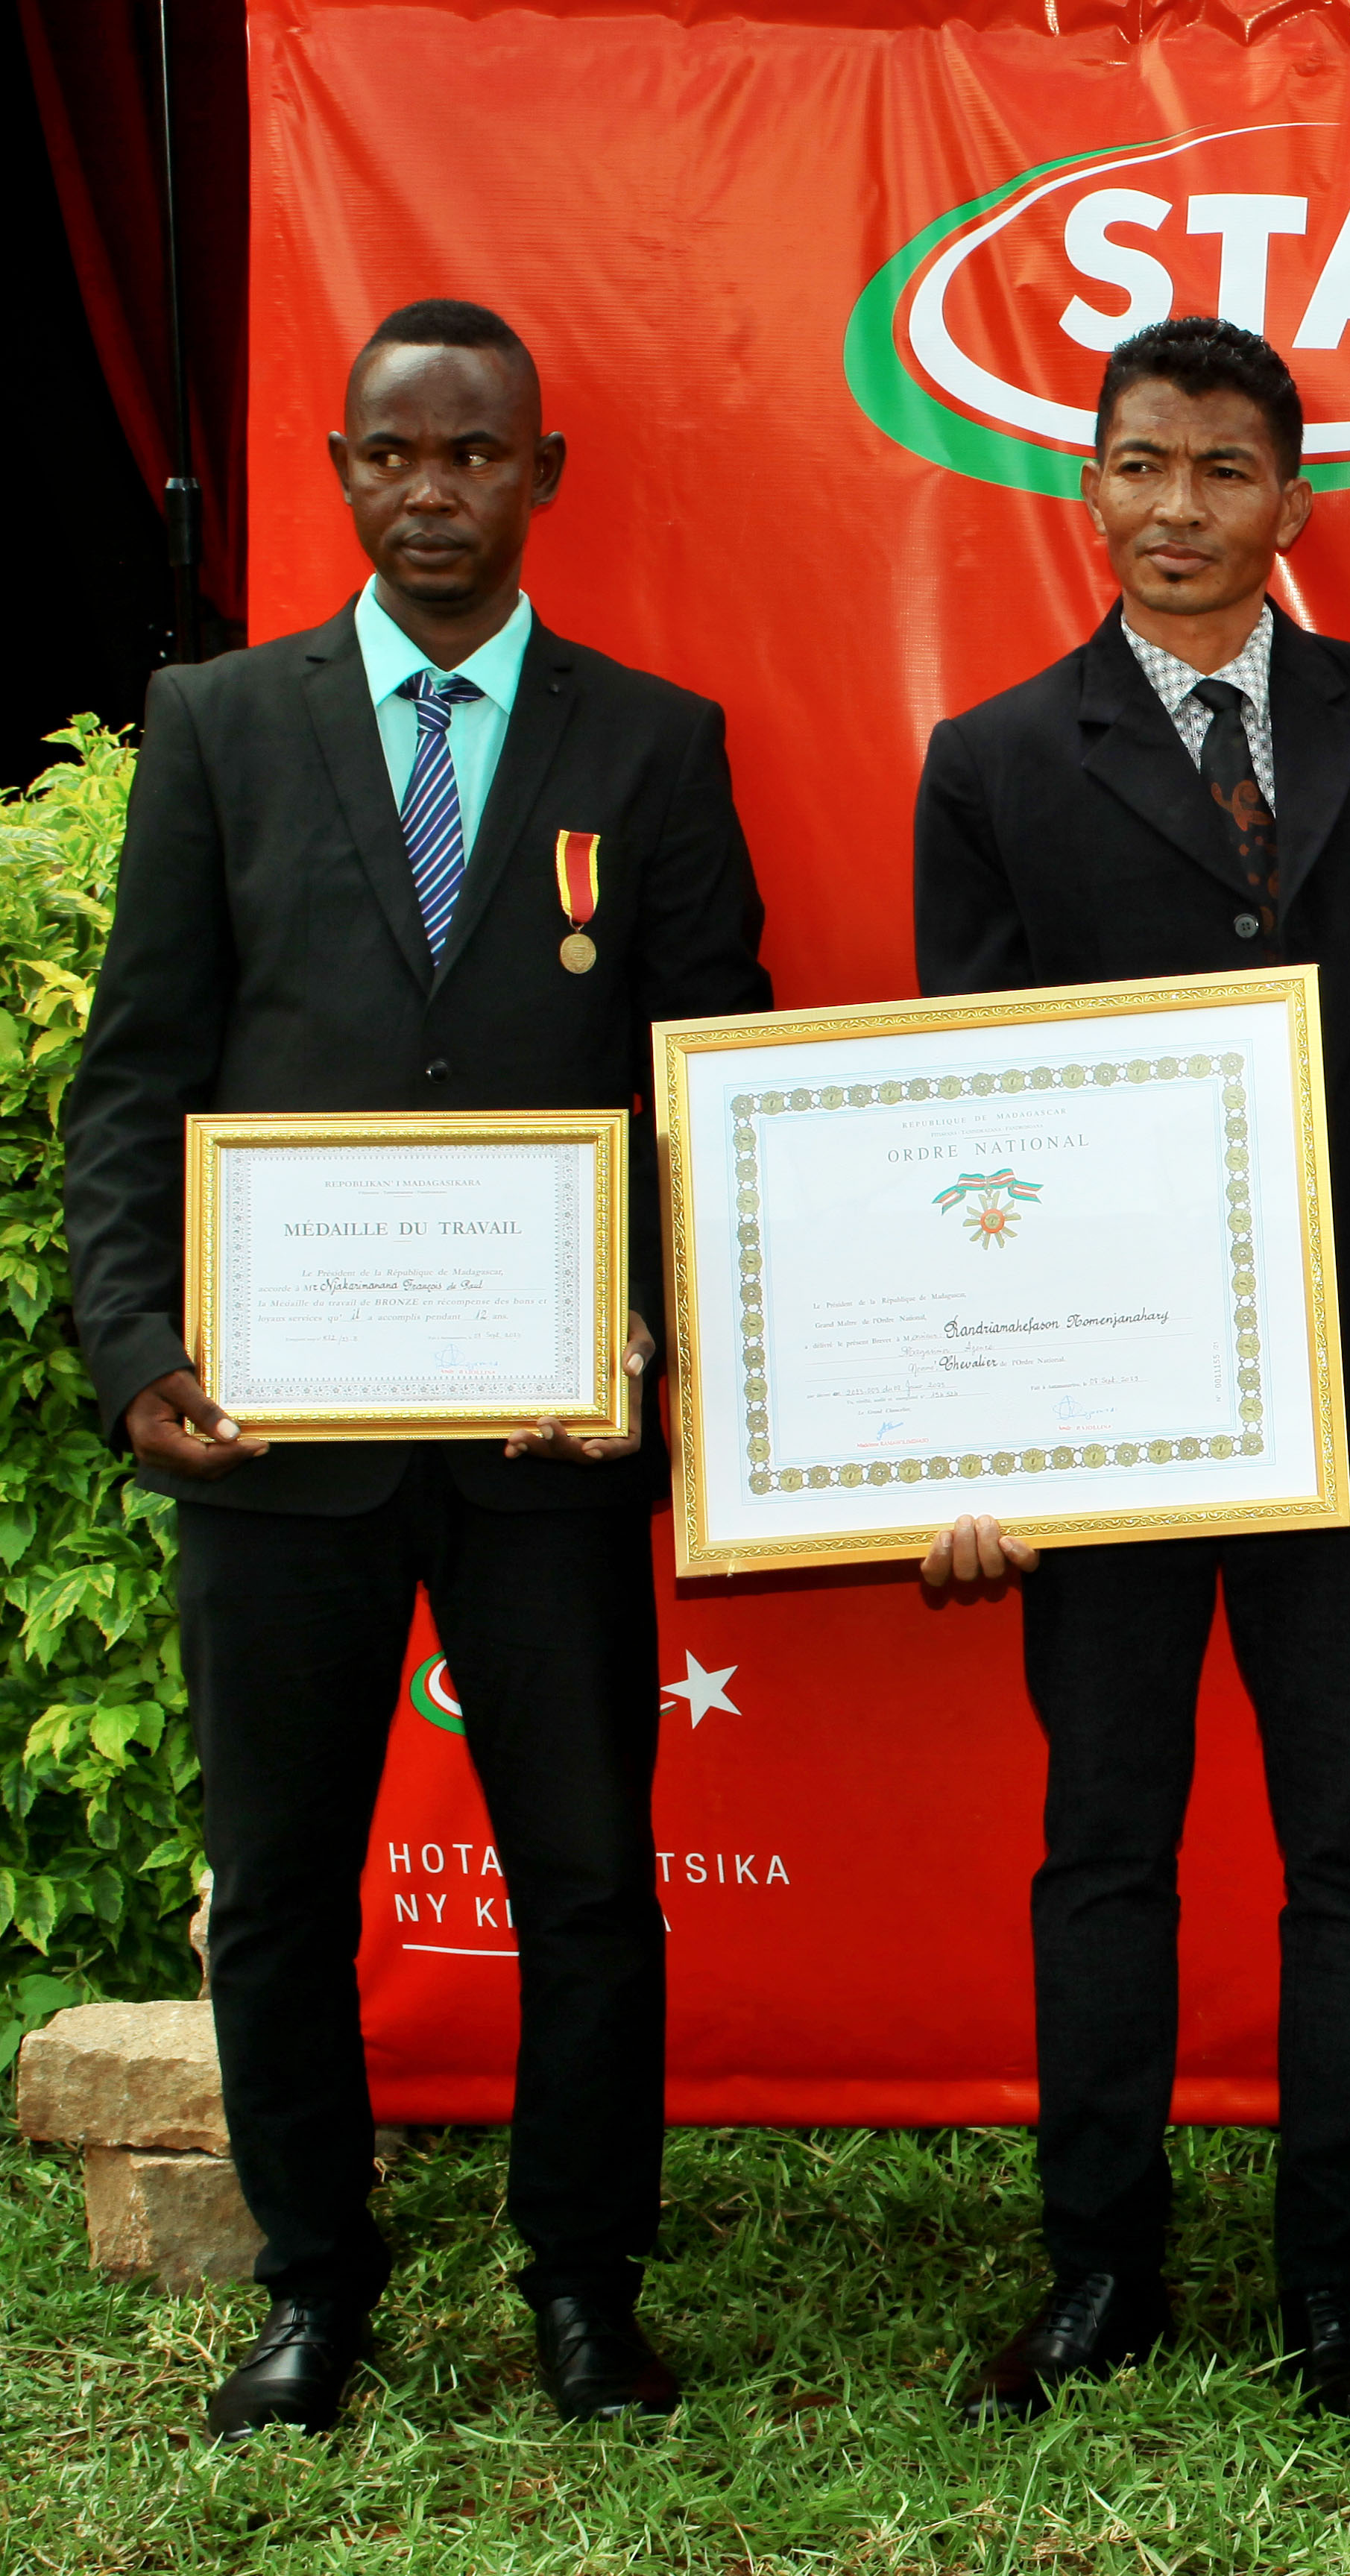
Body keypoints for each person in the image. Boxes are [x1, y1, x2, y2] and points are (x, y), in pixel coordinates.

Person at [60, 300, 772, 2434]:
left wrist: (658, 1333)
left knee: (585, 1880)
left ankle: (583, 2283)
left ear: (544, 475)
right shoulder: (219, 726)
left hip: (550, 1435)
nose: (432, 493)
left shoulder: (652, 742)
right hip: (277, 1439)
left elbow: (704, 1085)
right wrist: (134, 1352)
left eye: (475, 457)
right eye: (393, 456)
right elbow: (138, 1079)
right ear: (345, 470)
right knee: (281, 1886)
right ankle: (314, 2283)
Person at [909, 314, 1350, 2428]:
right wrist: (981, 1420)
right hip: (1103, 1415)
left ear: (1295, 496)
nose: (1178, 508)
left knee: (1348, 1842)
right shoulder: (995, 762)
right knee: (1106, 1842)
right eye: (1141, 465)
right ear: (1087, 484)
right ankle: (1100, 2271)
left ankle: (1335, 2285)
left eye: (1223, 470)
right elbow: (960, 1129)